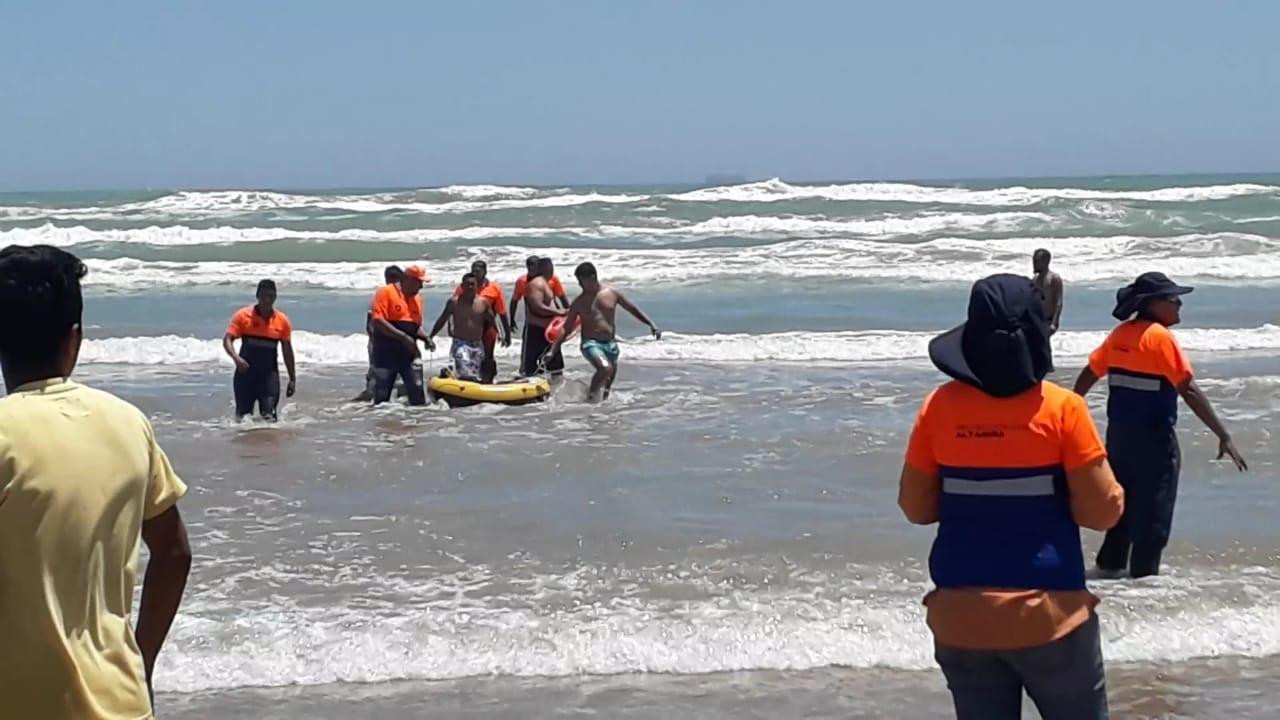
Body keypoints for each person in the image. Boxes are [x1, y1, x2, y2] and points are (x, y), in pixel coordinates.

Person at [899, 273, 1124, 720]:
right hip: (1049, 617)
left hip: (961, 618)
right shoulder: (1062, 411)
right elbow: (1103, 513)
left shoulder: (938, 408)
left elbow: (915, 507)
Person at [0, 245, 192, 719]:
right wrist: (140, 663)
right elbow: (173, 553)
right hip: (120, 700)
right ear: (75, 338)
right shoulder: (128, 424)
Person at [1073, 272, 1246, 579]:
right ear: (1153, 304)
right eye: (1172, 298)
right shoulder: (1159, 338)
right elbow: (1188, 388)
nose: (1179, 303)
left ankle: (1108, 574)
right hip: (1155, 442)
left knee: (1122, 511)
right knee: (1153, 515)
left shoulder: (1120, 335)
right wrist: (1223, 434)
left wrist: (1071, 407)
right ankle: (1145, 585)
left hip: (1120, 439)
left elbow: (1090, 372)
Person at [550, 262, 661, 401]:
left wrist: (651, 324)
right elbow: (566, 328)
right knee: (605, 369)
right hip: (590, 344)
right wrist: (553, 349)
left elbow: (632, 309)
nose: (579, 285)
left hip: (610, 344)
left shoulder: (612, 293)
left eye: (581, 281)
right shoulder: (579, 302)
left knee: (607, 386)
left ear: (592, 277)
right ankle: (589, 399)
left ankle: (600, 409)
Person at [222, 279, 296, 421]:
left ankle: (267, 443)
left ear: (275, 297)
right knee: (242, 419)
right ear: (257, 296)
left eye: (270, 296)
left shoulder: (282, 321)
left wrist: (292, 378)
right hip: (245, 376)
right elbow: (227, 340)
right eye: (263, 296)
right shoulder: (243, 316)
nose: (267, 300)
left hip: (269, 377)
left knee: (270, 418)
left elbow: (287, 351)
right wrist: (236, 359)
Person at [369, 265, 435, 405]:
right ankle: (383, 425)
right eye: (419, 282)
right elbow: (378, 321)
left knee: (418, 397)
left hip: (409, 355)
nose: (421, 286)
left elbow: (414, 326)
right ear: (406, 279)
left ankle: (416, 424)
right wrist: (403, 338)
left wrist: (426, 338)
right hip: (386, 354)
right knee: (382, 400)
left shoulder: (418, 299)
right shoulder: (385, 292)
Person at [432, 272, 497, 382]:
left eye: (472, 284)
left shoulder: (483, 302)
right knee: (465, 371)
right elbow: (442, 319)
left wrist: (500, 333)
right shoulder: (454, 302)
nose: (470, 287)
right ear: (462, 286)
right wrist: (431, 336)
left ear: (477, 286)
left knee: (475, 375)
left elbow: (491, 319)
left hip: (477, 344)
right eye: (467, 284)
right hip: (460, 343)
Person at [453, 260, 510, 382]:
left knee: (487, 356)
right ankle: (469, 380)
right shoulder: (464, 287)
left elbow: (502, 311)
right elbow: (454, 306)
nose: (475, 273)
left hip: (488, 327)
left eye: (478, 271)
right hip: (470, 326)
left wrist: (507, 333)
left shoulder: (494, 288)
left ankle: (488, 381)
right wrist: (450, 324)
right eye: (473, 270)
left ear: (485, 272)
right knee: (467, 355)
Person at [353, 265, 403, 402]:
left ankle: (383, 402)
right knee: (378, 374)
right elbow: (371, 323)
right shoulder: (381, 296)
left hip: (393, 342)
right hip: (380, 342)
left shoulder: (403, 297)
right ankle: (373, 400)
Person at [519, 257, 568, 376]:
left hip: (549, 330)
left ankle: (555, 391)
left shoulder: (545, 283)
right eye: (550, 268)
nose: (552, 271)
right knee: (531, 365)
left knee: (555, 366)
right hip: (537, 330)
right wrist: (558, 312)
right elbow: (537, 307)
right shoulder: (537, 283)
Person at [510, 254, 569, 333]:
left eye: (534, 270)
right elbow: (514, 301)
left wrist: (569, 315)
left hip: (552, 320)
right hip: (533, 322)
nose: (532, 273)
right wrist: (512, 319)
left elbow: (562, 297)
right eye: (530, 270)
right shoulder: (522, 282)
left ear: (539, 268)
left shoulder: (552, 279)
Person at [1032, 249, 1064, 335]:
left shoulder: (1054, 278)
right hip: (1038, 320)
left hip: (1049, 320)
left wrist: (1054, 322)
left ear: (1045, 261)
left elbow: (1059, 302)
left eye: (1036, 261)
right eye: (1034, 261)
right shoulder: (1035, 279)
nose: (1034, 264)